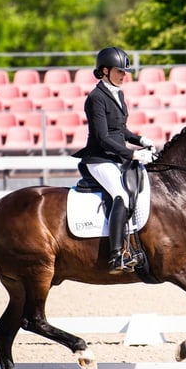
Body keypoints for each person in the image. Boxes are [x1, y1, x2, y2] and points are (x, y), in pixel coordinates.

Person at [71, 46, 156, 274]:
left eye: (125, 71)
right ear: (105, 71)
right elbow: (103, 137)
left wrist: (140, 140)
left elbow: (121, 130)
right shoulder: (96, 98)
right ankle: (116, 254)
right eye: (120, 71)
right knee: (120, 194)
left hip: (115, 157)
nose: (124, 75)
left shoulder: (118, 93)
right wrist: (132, 153)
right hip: (99, 158)